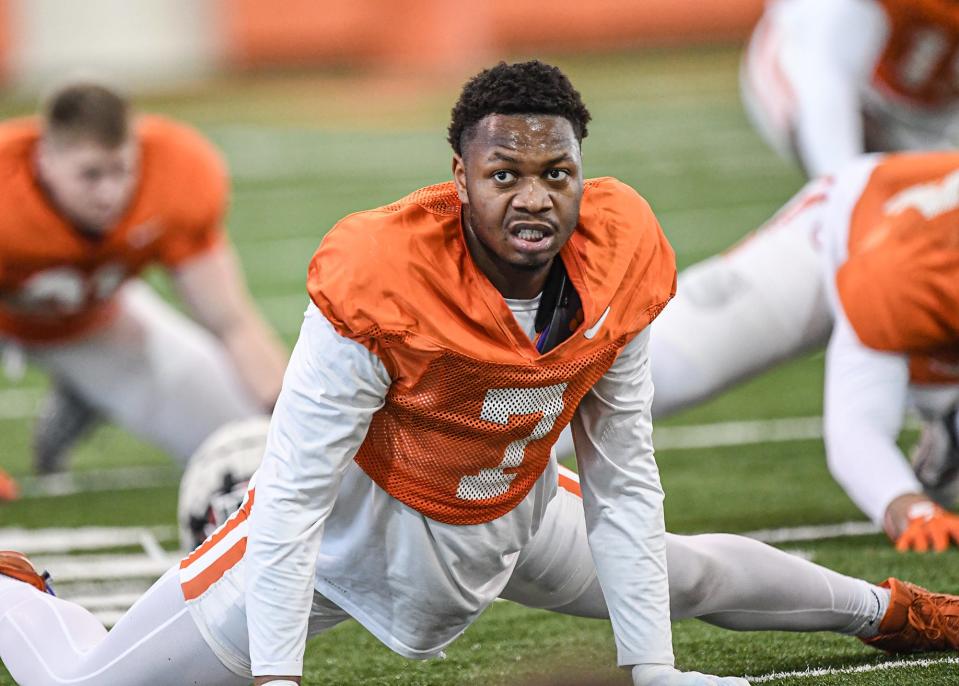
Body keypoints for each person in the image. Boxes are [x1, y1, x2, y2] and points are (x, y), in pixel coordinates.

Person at [4, 60, 959, 686]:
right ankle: (13, 593)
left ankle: (897, 611)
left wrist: (654, 671)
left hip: (511, 502)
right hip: (350, 530)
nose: (534, 196)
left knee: (691, 572)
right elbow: (292, 496)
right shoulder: (380, 276)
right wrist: (277, 681)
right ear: (457, 178)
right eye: (504, 174)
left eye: (557, 171)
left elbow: (625, 477)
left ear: (584, 173)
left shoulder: (619, 251)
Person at [647, 150, 959, 553]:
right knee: (654, 369)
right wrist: (905, 502)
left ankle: (948, 429)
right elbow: (856, 431)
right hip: (838, 233)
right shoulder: (906, 273)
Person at [0, 82, 288, 475]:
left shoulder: (172, 172)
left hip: (91, 322)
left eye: (121, 170)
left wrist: (294, 421)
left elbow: (233, 322)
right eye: (91, 175)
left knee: (249, 444)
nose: (110, 193)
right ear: (45, 160)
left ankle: (83, 392)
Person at [741, 0, 959, 178]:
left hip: (922, 111)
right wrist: (843, 184)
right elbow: (824, 77)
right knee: (854, 202)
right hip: (804, 61)